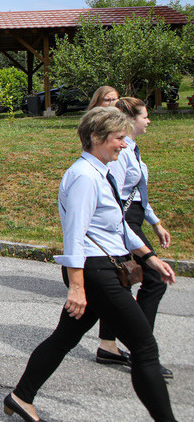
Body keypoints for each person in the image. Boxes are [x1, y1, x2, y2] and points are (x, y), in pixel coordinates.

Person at [4, 107, 177, 422]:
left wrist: (149, 257)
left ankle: (21, 396)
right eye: (119, 137)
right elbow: (74, 235)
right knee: (145, 349)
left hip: (100, 268)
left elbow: (118, 226)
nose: (124, 144)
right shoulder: (84, 176)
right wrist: (77, 287)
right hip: (95, 271)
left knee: (64, 338)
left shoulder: (101, 172)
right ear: (97, 137)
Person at [96, 98, 173, 378]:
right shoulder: (122, 151)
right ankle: (142, 349)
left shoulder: (132, 149)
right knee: (154, 279)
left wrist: (155, 222)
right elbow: (115, 193)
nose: (148, 120)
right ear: (130, 119)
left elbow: (138, 192)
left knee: (122, 281)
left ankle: (108, 345)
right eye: (145, 116)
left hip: (135, 218)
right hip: (125, 221)